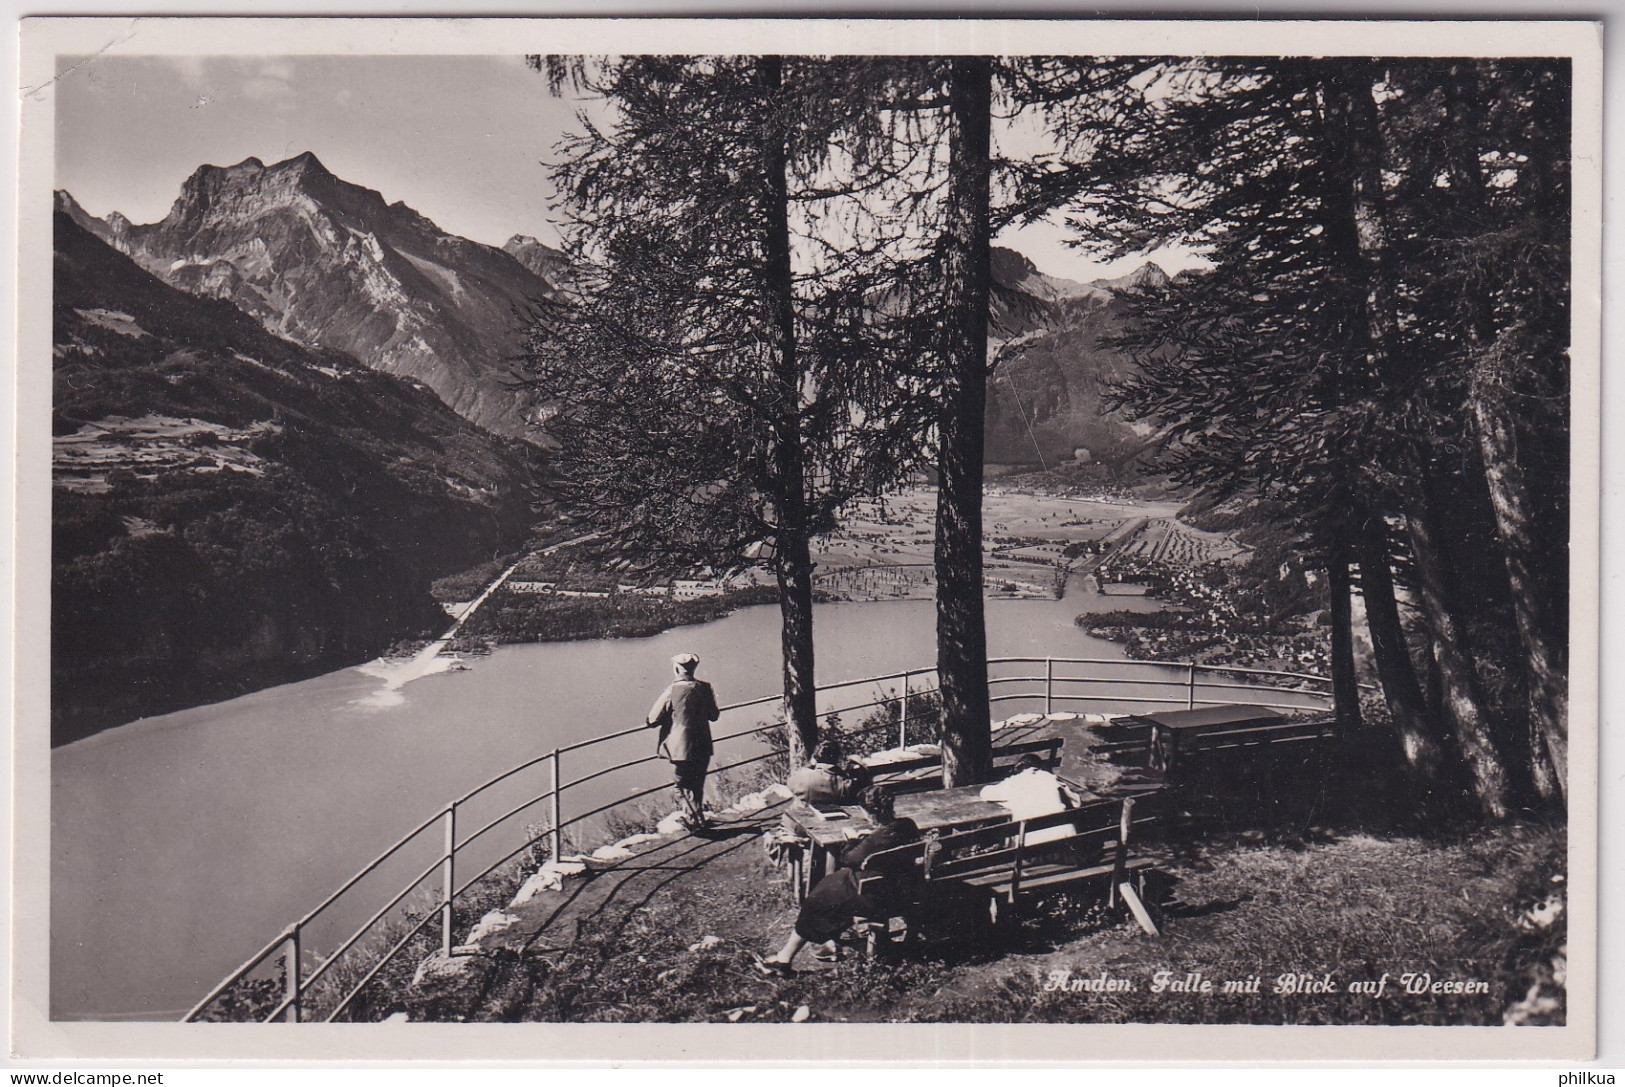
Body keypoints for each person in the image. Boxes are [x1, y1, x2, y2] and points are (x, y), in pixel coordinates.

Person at [755, 786, 920, 974]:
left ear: (867, 812)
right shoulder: (907, 825)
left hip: (874, 896)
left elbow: (849, 858)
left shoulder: (874, 841)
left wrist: (850, 839)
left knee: (815, 902)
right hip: (903, 890)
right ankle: (831, 940)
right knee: (831, 889)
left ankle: (784, 959)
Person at [646, 652, 720, 831]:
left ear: (677, 668)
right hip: (702, 743)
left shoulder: (671, 691)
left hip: (681, 748)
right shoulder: (705, 688)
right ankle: (697, 817)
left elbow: (652, 719)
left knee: (682, 784)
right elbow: (714, 715)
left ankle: (695, 822)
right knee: (697, 783)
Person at [977, 753, 1083, 845]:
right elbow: (1076, 802)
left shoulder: (1013, 782)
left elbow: (985, 793)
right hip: (1064, 843)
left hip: (1033, 848)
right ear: (1039, 768)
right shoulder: (1050, 778)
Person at [786, 739, 871, 807]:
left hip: (804, 817)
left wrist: (811, 764)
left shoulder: (798, 777)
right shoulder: (843, 784)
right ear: (837, 758)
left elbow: (790, 783)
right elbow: (867, 790)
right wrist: (860, 765)